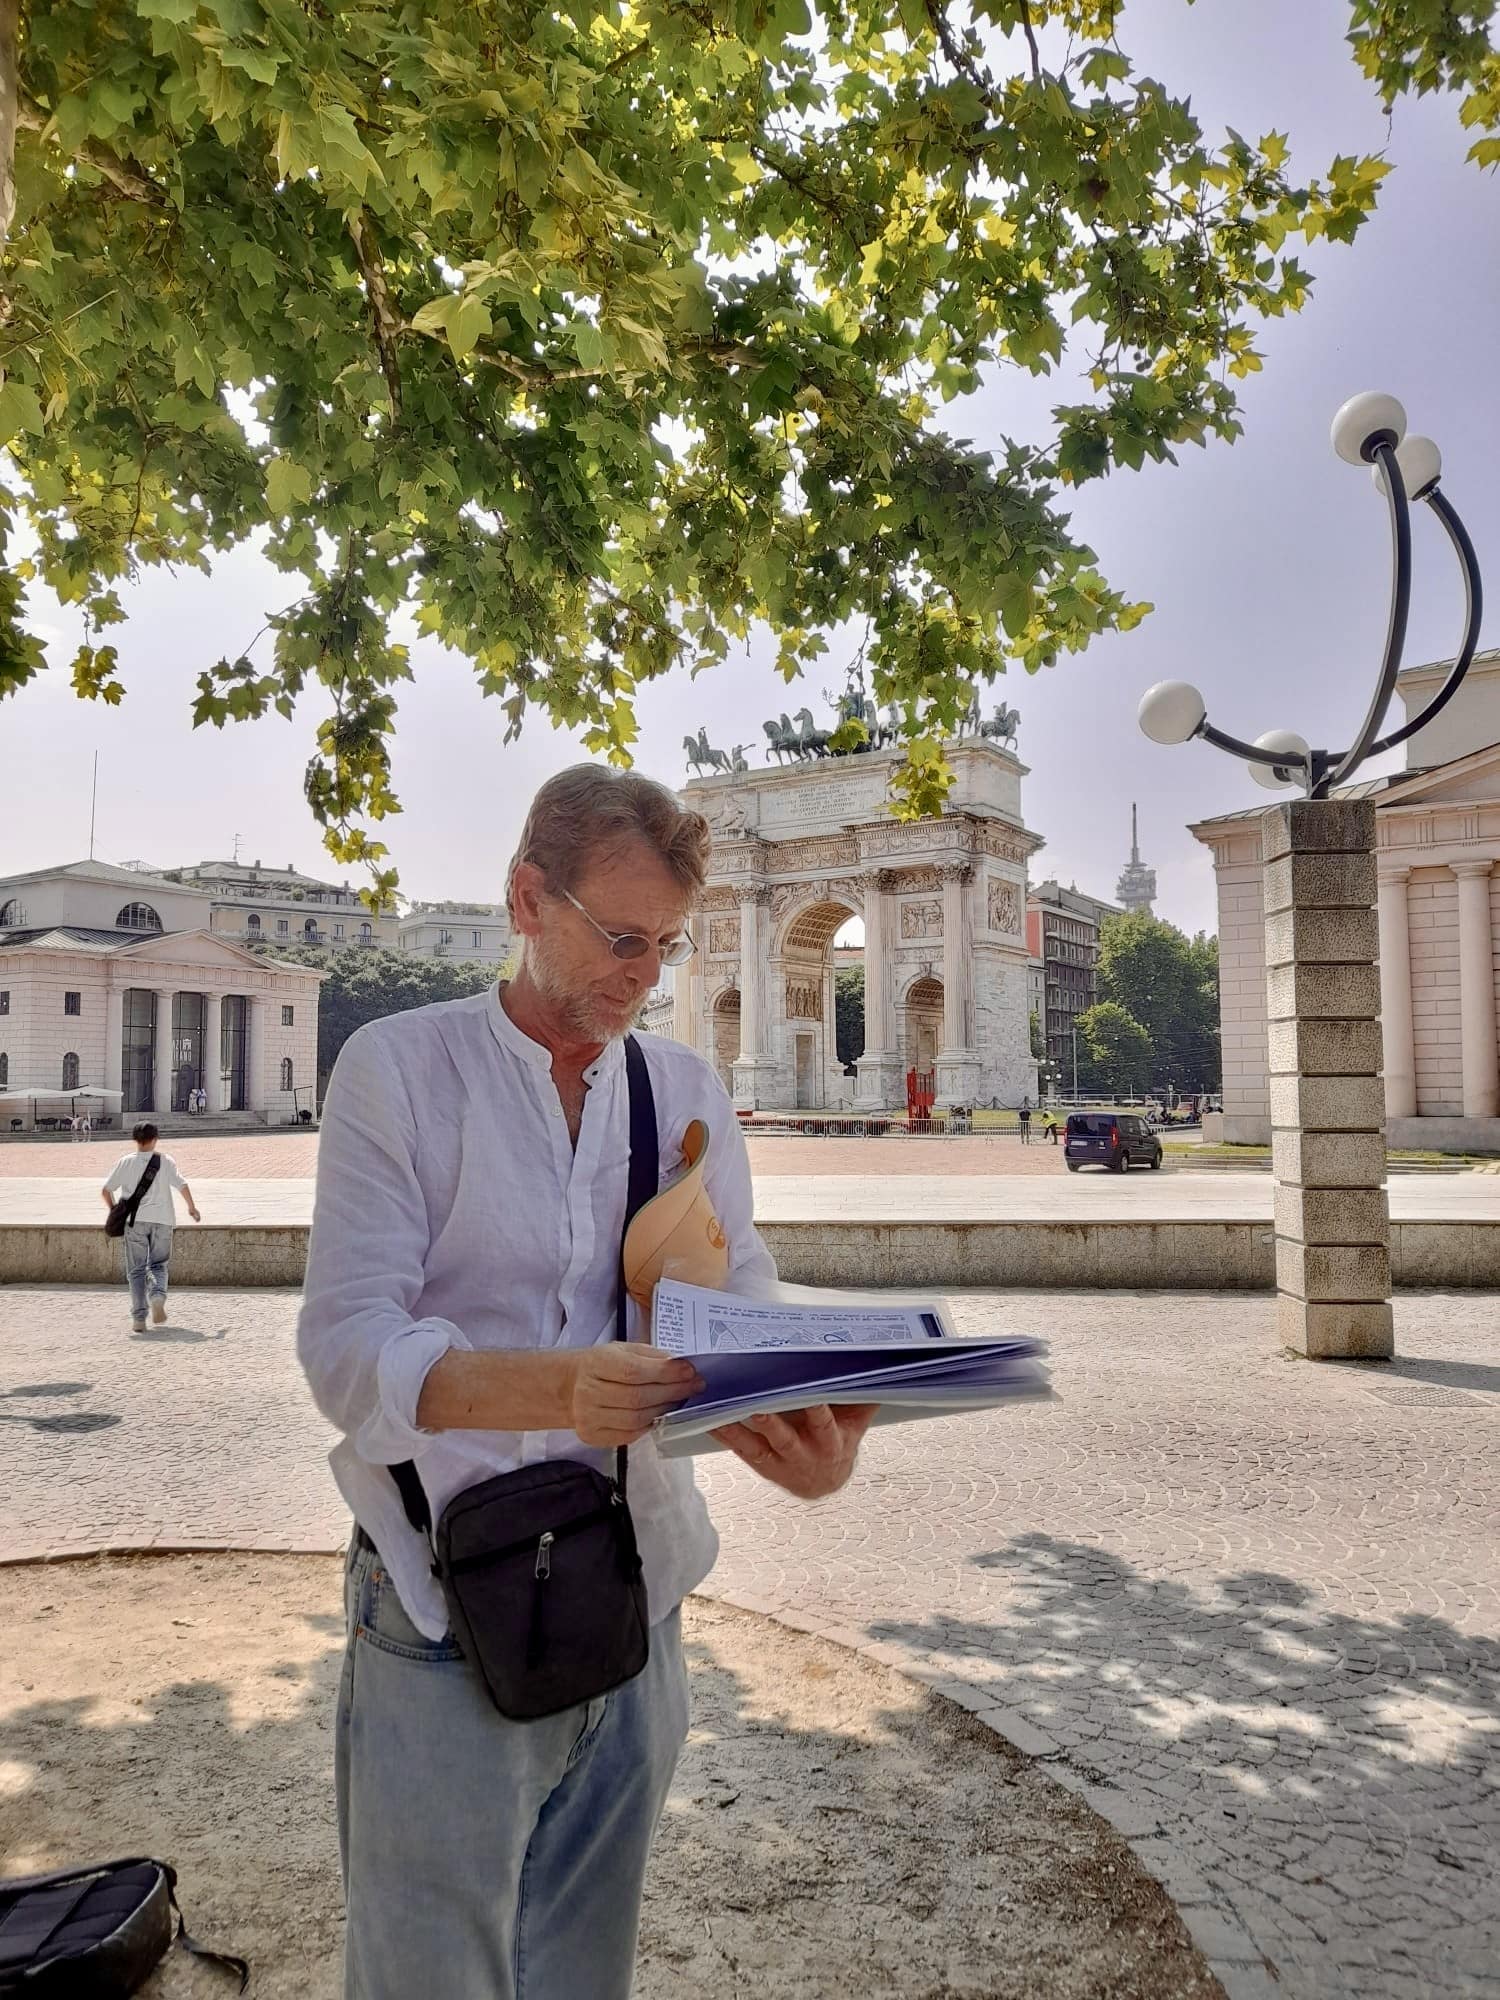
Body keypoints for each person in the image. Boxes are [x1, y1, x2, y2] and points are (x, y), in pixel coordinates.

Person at [298, 766, 875, 2000]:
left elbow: (737, 1320)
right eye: (622, 936)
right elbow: (346, 1352)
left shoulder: (687, 1091)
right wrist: (562, 1387)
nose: (644, 975)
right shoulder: (399, 1067)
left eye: (666, 946)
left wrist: (809, 1434)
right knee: (428, 1974)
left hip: (635, 1587)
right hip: (443, 1599)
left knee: (582, 1969)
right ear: (524, 896)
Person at [101, 1122, 202, 1332]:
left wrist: (114, 1210)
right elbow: (182, 1185)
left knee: (136, 1271)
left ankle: (139, 1319)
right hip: (163, 1220)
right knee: (159, 1265)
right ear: (155, 1139)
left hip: (135, 1222)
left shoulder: (126, 1162)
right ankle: (157, 1295)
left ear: (136, 1140)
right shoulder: (164, 1161)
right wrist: (192, 1208)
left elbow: (106, 1190)